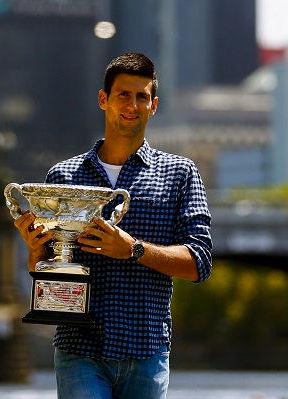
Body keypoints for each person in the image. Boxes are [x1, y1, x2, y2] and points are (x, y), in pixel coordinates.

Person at [13, 52, 212, 399]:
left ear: (153, 105)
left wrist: (133, 250)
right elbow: (44, 270)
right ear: (103, 99)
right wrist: (34, 250)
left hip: (146, 352)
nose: (132, 104)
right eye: (123, 94)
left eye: (141, 96)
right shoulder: (63, 177)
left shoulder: (180, 173)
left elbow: (200, 263)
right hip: (79, 351)